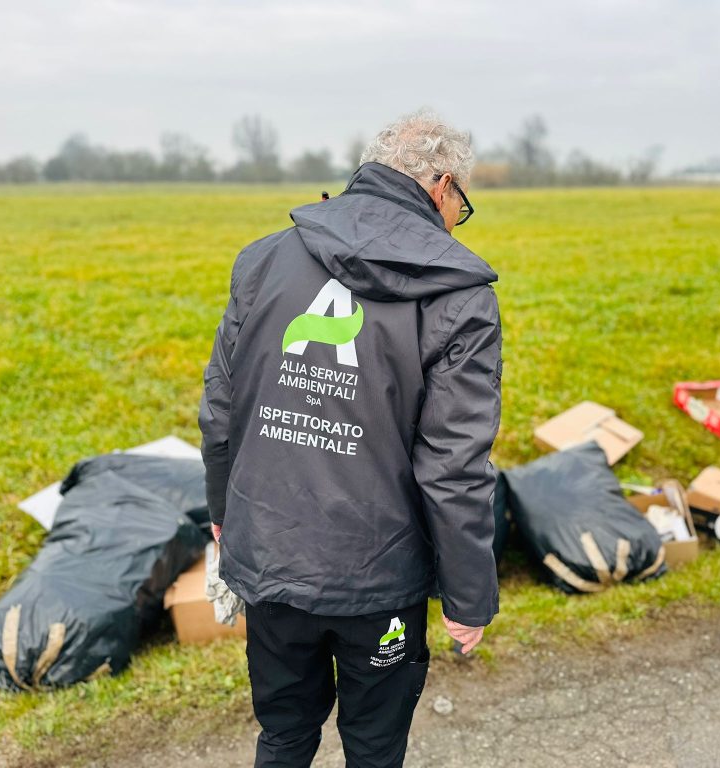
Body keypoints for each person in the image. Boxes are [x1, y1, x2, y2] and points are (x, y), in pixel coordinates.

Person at [198, 109, 503, 768]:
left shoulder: (264, 260)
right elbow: (453, 465)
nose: (456, 221)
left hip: (271, 557)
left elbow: (219, 411)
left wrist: (224, 517)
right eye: (462, 206)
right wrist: (469, 595)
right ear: (441, 184)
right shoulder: (459, 292)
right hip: (380, 578)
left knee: (283, 733)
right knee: (374, 746)